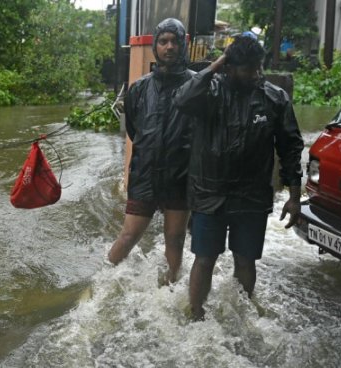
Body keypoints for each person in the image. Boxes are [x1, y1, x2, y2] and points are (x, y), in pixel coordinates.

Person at [173, 34, 304, 319]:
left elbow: (291, 148)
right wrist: (213, 67)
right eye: (248, 69)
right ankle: (195, 313)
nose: (256, 74)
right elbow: (181, 99)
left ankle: (241, 317)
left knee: (245, 260)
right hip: (209, 194)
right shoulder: (209, 92)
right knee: (205, 258)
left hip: (252, 196)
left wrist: (294, 197)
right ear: (230, 68)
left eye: (259, 67)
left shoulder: (274, 98)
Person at [108, 18, 193, 284]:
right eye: (163, 41)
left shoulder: (196, 85)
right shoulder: (140, 88)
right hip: (145, 173)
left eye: (174, 42)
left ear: (183, 45)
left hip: (181, 175)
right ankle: (104, 282)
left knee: (175, 238)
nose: (169, 47)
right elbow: (134, 130)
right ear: (155, 46)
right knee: (128, 235)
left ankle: (170, 288)